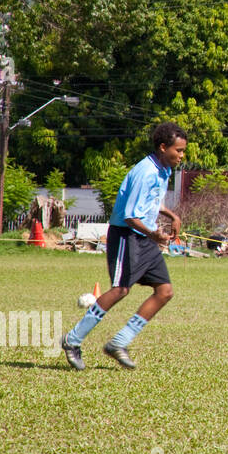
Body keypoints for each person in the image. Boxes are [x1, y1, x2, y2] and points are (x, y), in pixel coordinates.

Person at [62, 122, 186, 370]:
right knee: (120, 290)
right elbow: (130, 215)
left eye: (183, 151)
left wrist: (172, 216)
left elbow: (150, 201)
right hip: (126, 235)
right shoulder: (146, 172)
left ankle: (119, 342)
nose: (181, 156)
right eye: (178, 150)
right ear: (163, 147)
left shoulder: (164, 169)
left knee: (165, 292)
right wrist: (153, 234)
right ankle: (72, 340)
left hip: (144, 237)